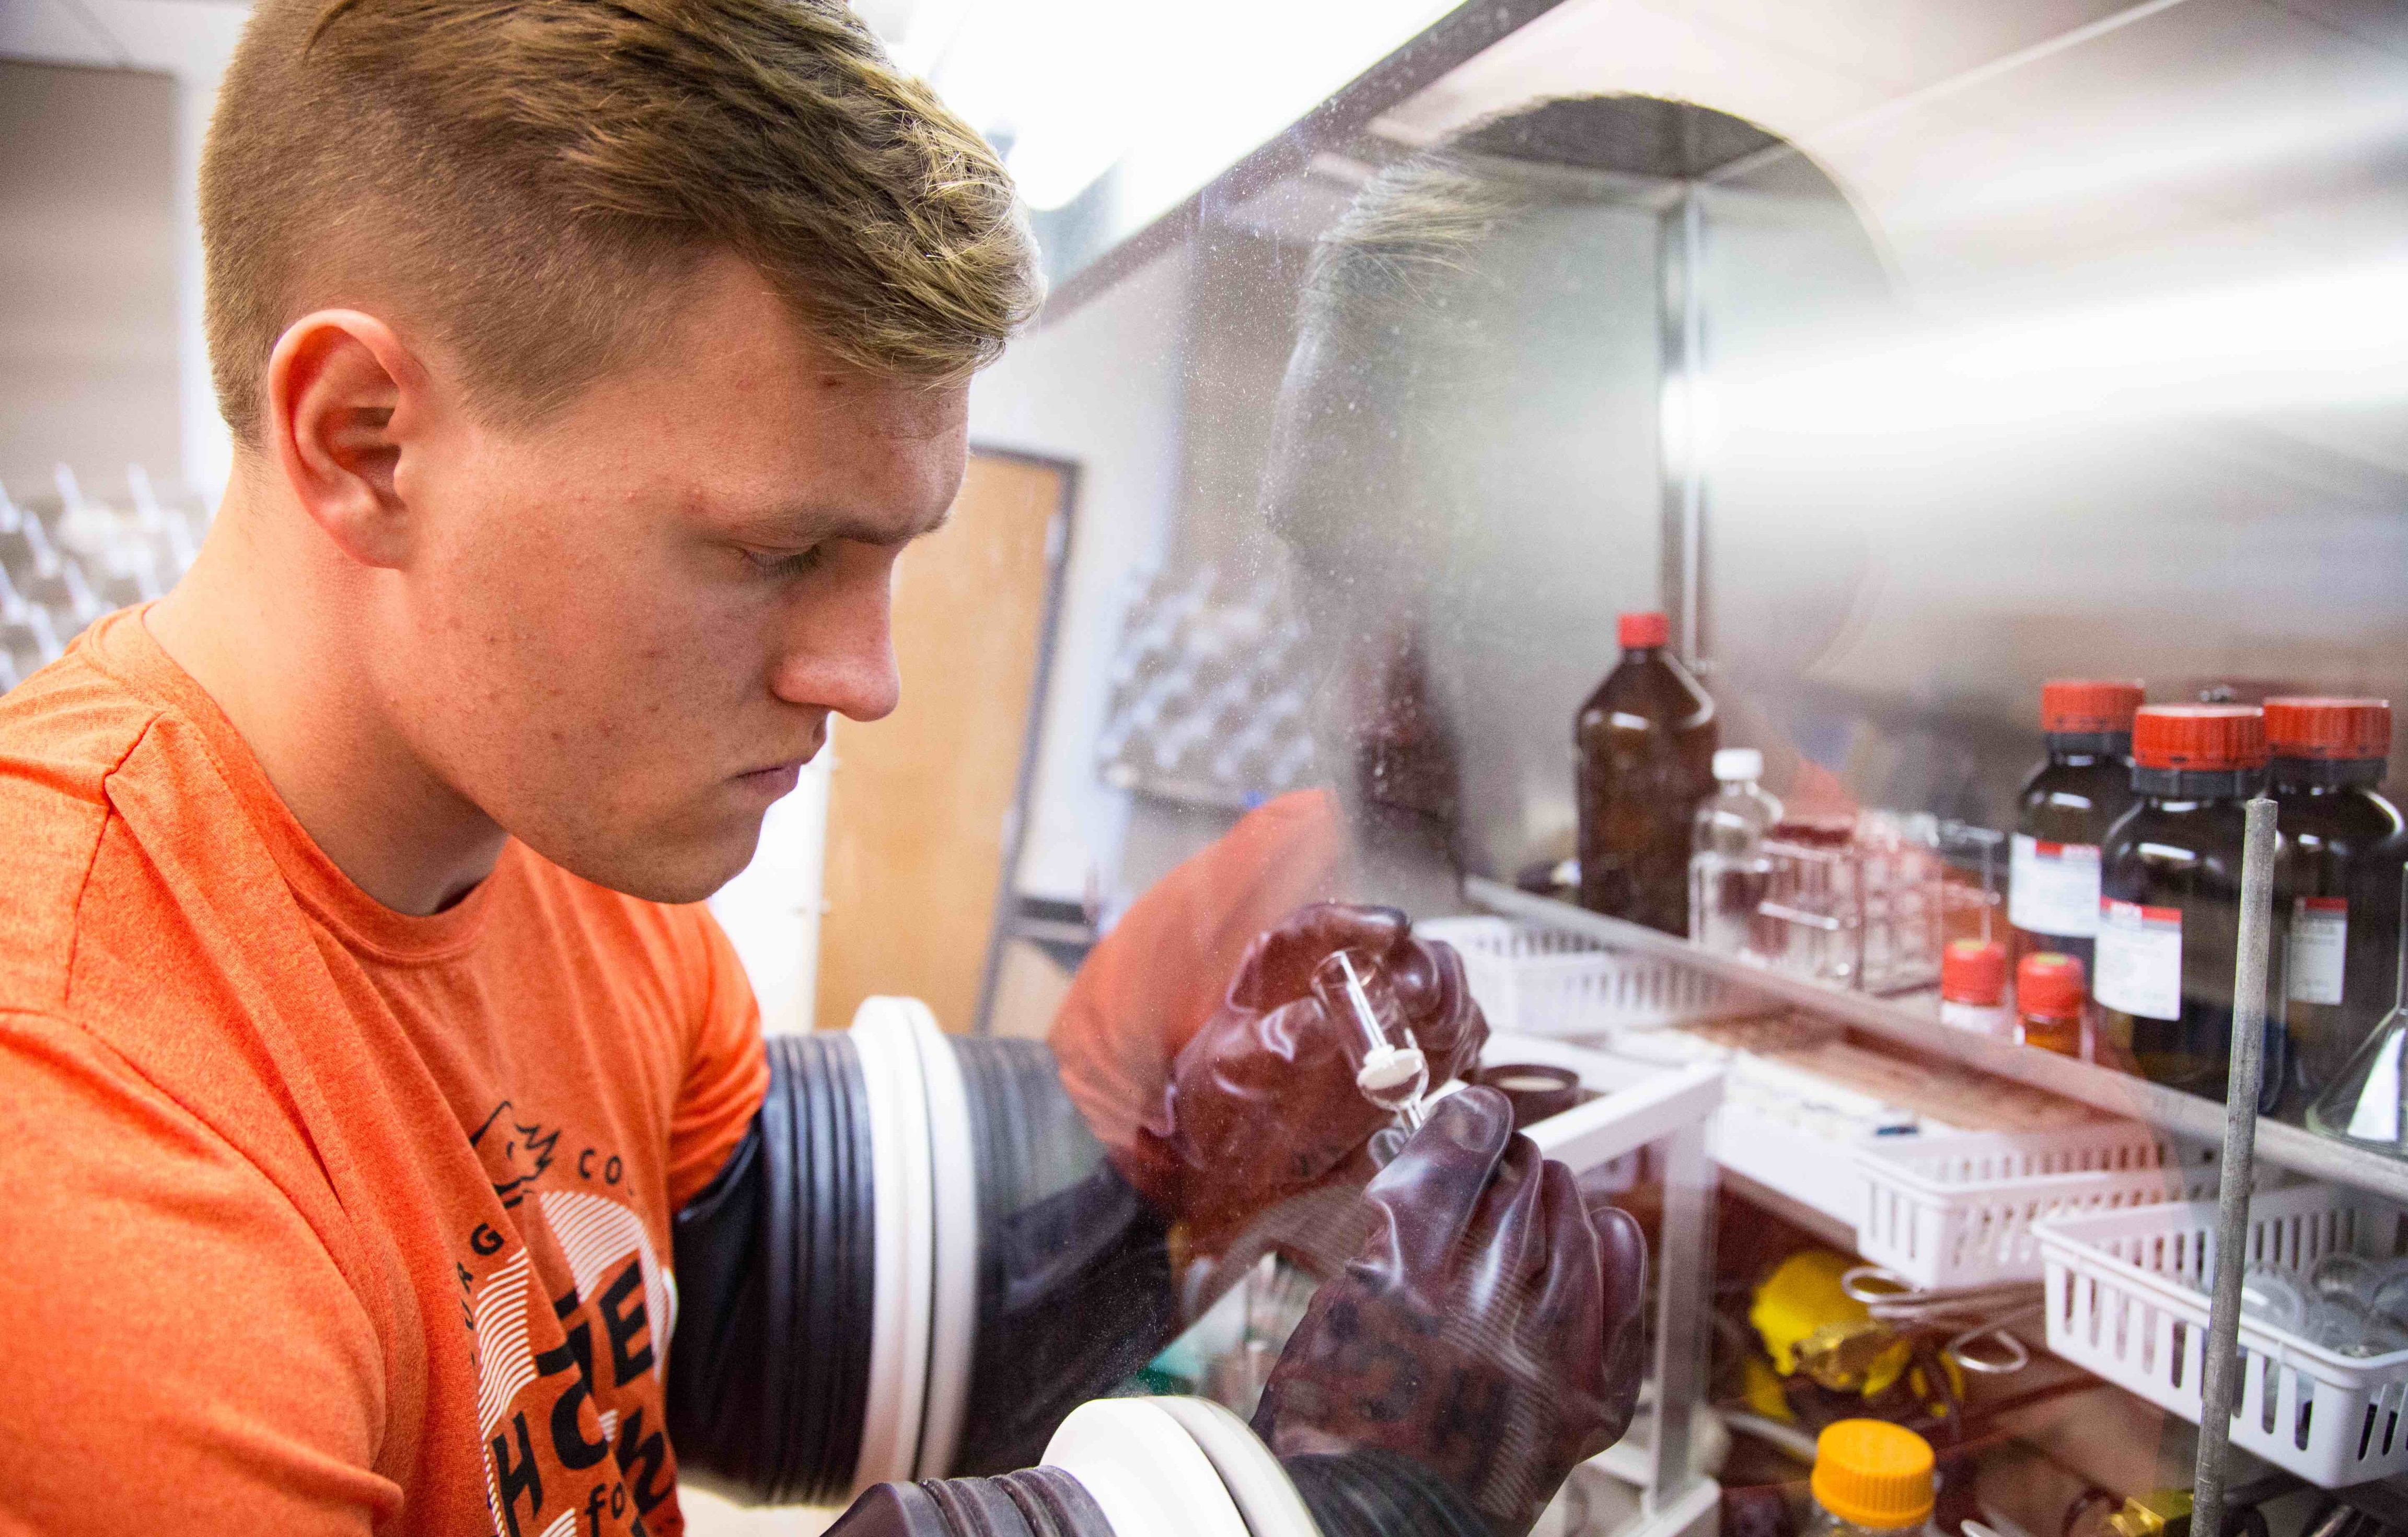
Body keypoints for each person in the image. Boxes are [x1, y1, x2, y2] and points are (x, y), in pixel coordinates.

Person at [0, 4, 1643, 1535]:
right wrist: (1332, 1510)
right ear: (365, 438)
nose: (869, 680)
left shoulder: (561, 849)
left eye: (892, 556)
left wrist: (1176, 1182)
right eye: (776, 550)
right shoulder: (84, 1136)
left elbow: (752, 1328)